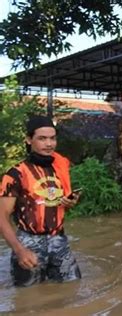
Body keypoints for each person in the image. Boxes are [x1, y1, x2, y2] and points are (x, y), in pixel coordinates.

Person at [0, 115, 82, 286]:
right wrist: (19, 250)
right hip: (29, 244)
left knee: (73, 289)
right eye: (42, 138)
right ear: (29, 140)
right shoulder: (15, 174)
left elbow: (54, 203)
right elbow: (2, 216)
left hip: (59, 241)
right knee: (28, 300)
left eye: (52, 138)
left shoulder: (59, 168)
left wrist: (71, 203)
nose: (49, 144)